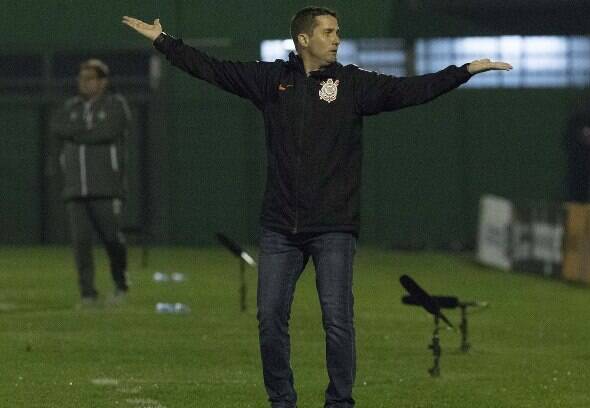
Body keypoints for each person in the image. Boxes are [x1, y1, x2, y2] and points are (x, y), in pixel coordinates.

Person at [123, 7, 511, 407]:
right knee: (270, 321)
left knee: (338, 323)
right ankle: (281, 401)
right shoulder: (271, 80)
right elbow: (213, 69)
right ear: (304, 39)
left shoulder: (353, 85)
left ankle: (339, 402)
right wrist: (163, 41)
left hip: (333, 228)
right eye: (329, 32)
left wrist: (462, 71)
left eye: (337, 31)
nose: (337, 38)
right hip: (279, 228)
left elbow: (407, 90)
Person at [49, 59, 132, 308]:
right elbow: (57, 126)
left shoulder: (116, 105)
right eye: (81, 78)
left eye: (89, 78)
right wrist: (85, 131)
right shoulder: (70, 106)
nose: (84, 83)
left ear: (102, 81)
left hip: (106, 188)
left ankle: (120, 284)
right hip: (75, 189)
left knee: (112, 239)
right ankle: (88, 294)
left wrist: (76, 133)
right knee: (81, 243)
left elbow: (108, 131)